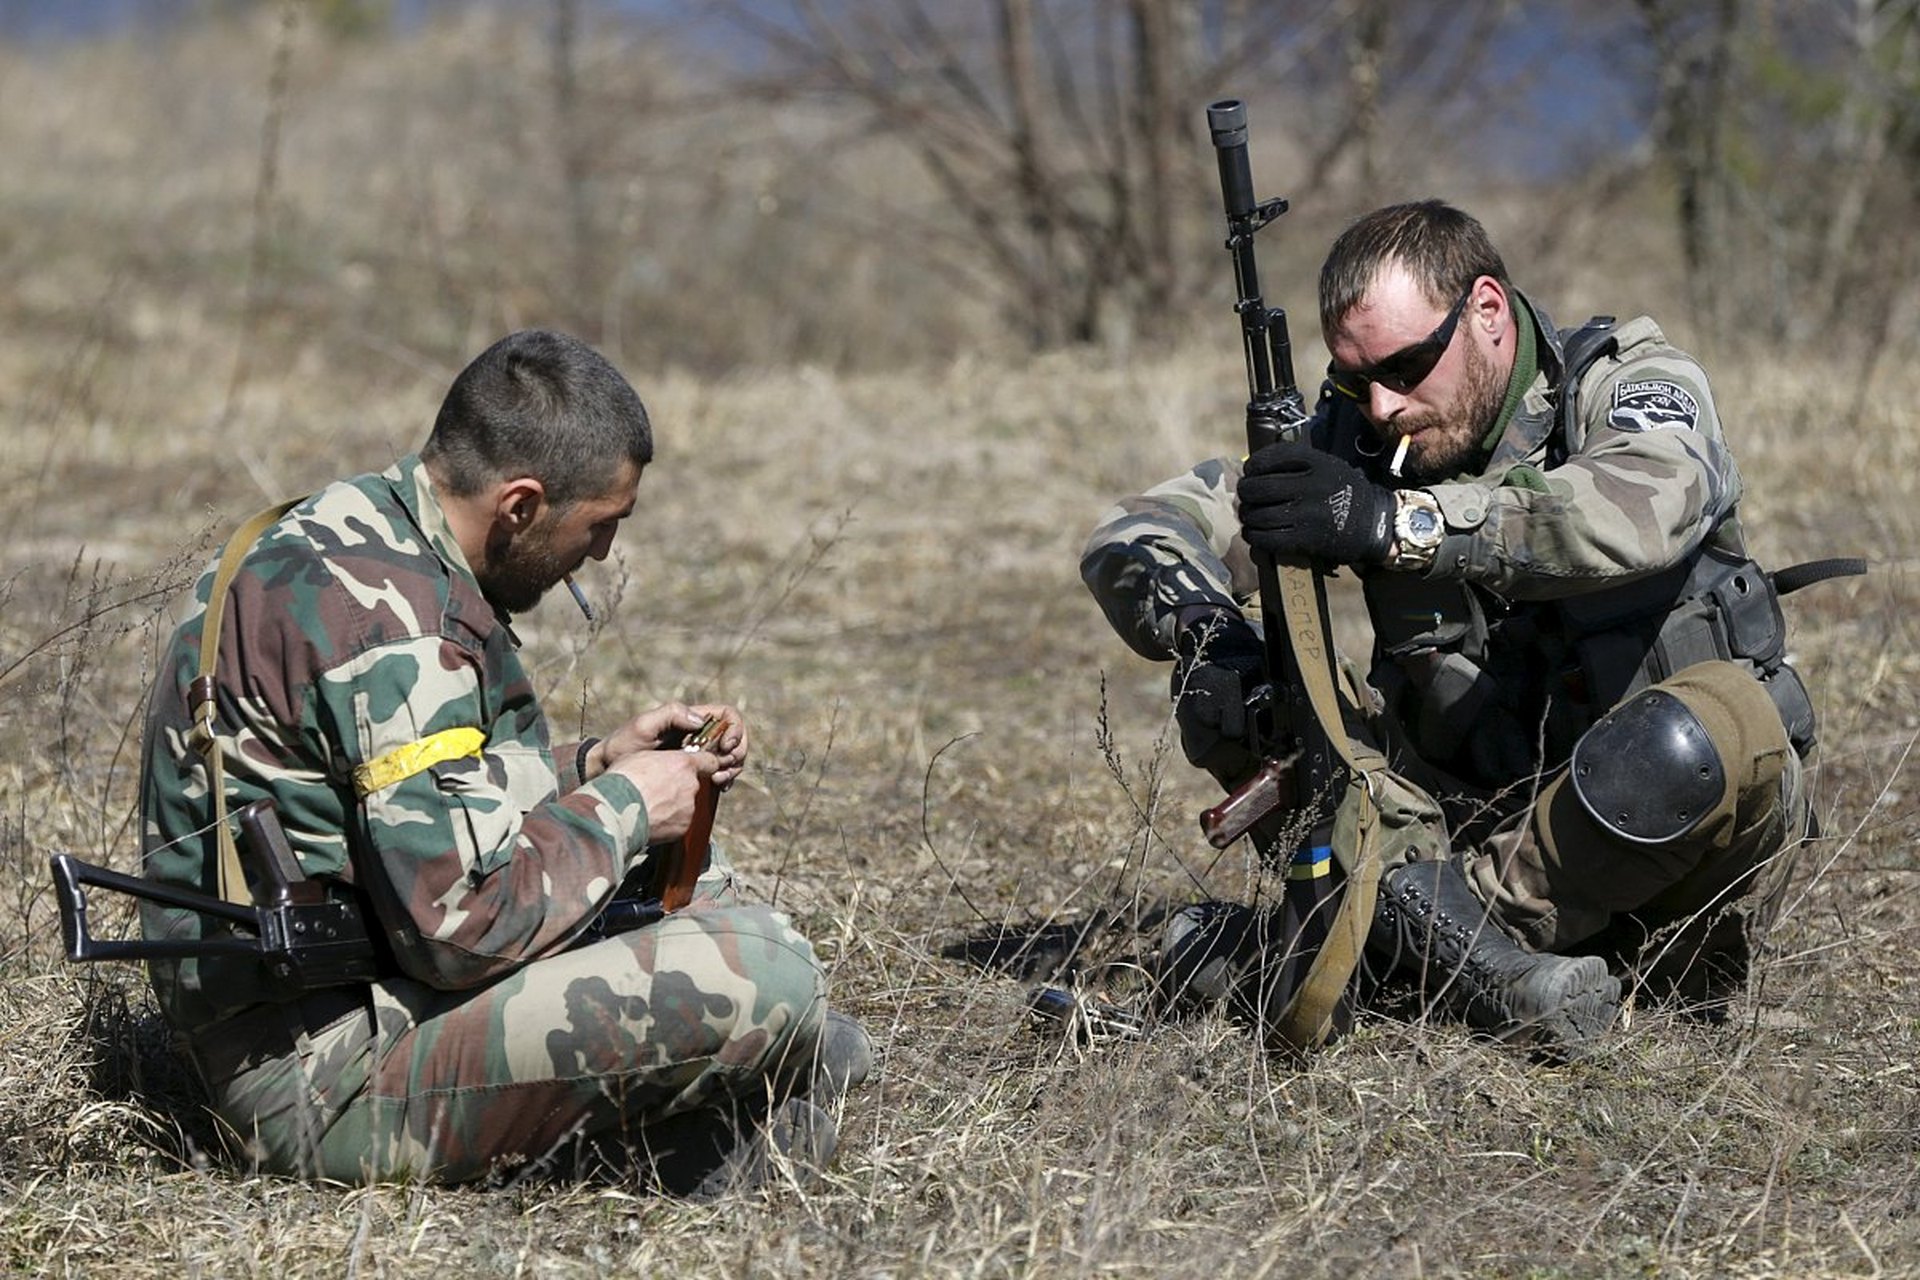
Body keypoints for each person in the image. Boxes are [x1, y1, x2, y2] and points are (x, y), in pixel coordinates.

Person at [1081, 201, 1817, 1056]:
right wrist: (1215, 628)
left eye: (1404, 366)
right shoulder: (1363, 429)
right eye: (1358, 381)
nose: (1384, 404)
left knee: (1713, 726)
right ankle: (1457, 958)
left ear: (1488, 313)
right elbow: (1133, 533)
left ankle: (1402, 955)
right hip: (1458, 828)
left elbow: (1641, 508)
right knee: (1229, 686)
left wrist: (1396, 525)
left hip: (1663, 851)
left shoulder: (1626, 381)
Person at [139, 329, 869, 1189]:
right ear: (520, 505)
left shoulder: (364, 531)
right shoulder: (394, 629)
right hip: (316, 1074)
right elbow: (458, 934)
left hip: (349, 991)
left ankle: (729, 1116)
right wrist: (630, 805)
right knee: (765, 971)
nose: (599, 556)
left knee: (701, 889)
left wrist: (598, 763)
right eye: (601, 526)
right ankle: (674, 1155)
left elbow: (403, 805)